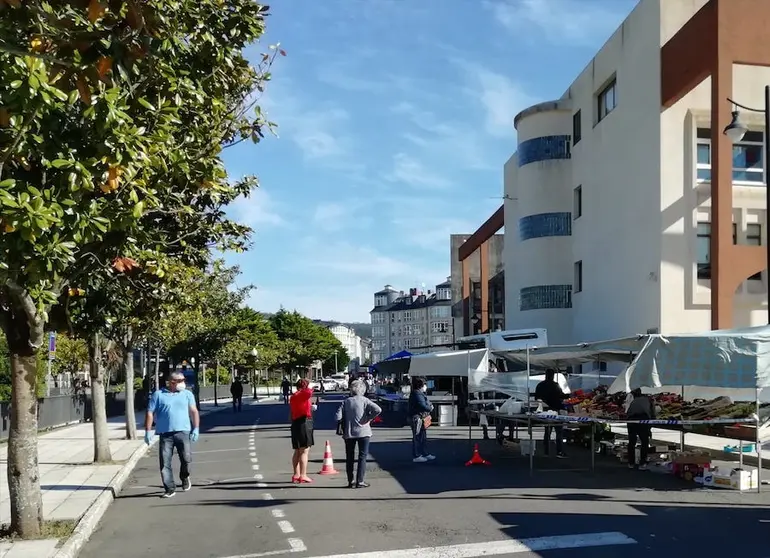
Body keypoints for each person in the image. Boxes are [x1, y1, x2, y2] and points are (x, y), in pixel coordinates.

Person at [144, 371, 200, 498]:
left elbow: (194, 411)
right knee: (165, 463)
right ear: (172, 382)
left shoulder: (187, 394)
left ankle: (185, 477)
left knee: (186, 459)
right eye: (180, 381)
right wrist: (148, 431)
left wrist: (195, 428)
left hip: (183, 432)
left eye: (184, 380)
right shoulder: (158, 395)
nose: (183, 383)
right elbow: (150, 412)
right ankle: (169, 488)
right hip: (165, 434)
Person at [335, 379, 382, 489]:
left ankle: (350, 481)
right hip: (364, 432)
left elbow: (337, 417)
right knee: (362, 457)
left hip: (349, 433)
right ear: (363, 390)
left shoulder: (346, 402)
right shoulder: (365, 400)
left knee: (349, 457)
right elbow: (378, 409)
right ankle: (360, 481)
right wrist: (368, 418)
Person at [534, 368, 568, 458]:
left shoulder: (540, 385)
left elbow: (536, 397)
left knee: (547, 432)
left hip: (545, 411)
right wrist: (569, 396)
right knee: (559, 432)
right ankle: (559, 451)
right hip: (556, 410)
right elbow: (561, 395)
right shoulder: (555, 385)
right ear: (553, 376)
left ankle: (546, 452)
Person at [289, 379, 317, 484]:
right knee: (304, 451)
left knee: (297, 450)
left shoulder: (293, 396)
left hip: (295, 422)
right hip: (304, 423)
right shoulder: (302, 394)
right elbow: (308, 392)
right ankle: (303, 475)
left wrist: (311, 407)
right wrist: (311, 386)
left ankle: (296, 474)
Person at [626, 388, 655, 470]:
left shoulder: (632, 401)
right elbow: (652, 413)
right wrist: (650, 425)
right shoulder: (648, 400)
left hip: (632, 421)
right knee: (644, 442)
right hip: (643, 421)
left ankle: (631, 463)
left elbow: (627, 413)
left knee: (632, 442)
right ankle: (642, 463)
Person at [408, 377, 435, 463]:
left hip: (420, 417)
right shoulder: (417, 394)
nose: (426, 386)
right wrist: (430, 408)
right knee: (417, 436)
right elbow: (422, 405)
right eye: (425, 384)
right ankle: (417, 455)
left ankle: (424, 453)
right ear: (421, 385)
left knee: (422, 436)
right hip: (417, 417)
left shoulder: (419, 393)